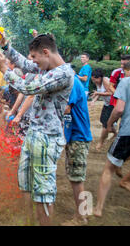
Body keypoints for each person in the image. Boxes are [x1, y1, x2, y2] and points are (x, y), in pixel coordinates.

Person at [0, 33, 74, 226]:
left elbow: (29, 88)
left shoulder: (63, 73)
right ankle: (28, 223)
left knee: (43, 193)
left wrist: (4, 68)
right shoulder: (45, 67)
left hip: (47, 139)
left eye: (35, 57)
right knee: (26, 185)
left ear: (46, 52)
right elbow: (26, 64)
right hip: (33, 134)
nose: (32, 61)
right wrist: (6, 47)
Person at [93, 61, 130, 217]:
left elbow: (119, 109)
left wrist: (109, 124)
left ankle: (98, 208)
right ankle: (125, 179)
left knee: (108, 169)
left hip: (127, 132)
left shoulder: (126, 82)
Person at [62, 75, 92, 226]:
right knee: (76, 176)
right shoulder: (70, 80)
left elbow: (66, 108)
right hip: (74, 136)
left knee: (77, 178)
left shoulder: (71, 81)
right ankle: (85, 211)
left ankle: (81, 217)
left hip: (78, 137)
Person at [90, 69, 114, 151]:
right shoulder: (98, 82)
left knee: (106, 124)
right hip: (107, 104)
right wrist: (93, 101)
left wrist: (98, 93)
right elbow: (99, 92)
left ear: (100, 77)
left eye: (95, 79)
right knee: (103, 121)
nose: (94, 81)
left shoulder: (106, 81)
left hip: (113, 104)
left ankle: (100, 142)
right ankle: (115, 133)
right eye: (92, 80)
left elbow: (111, 93)